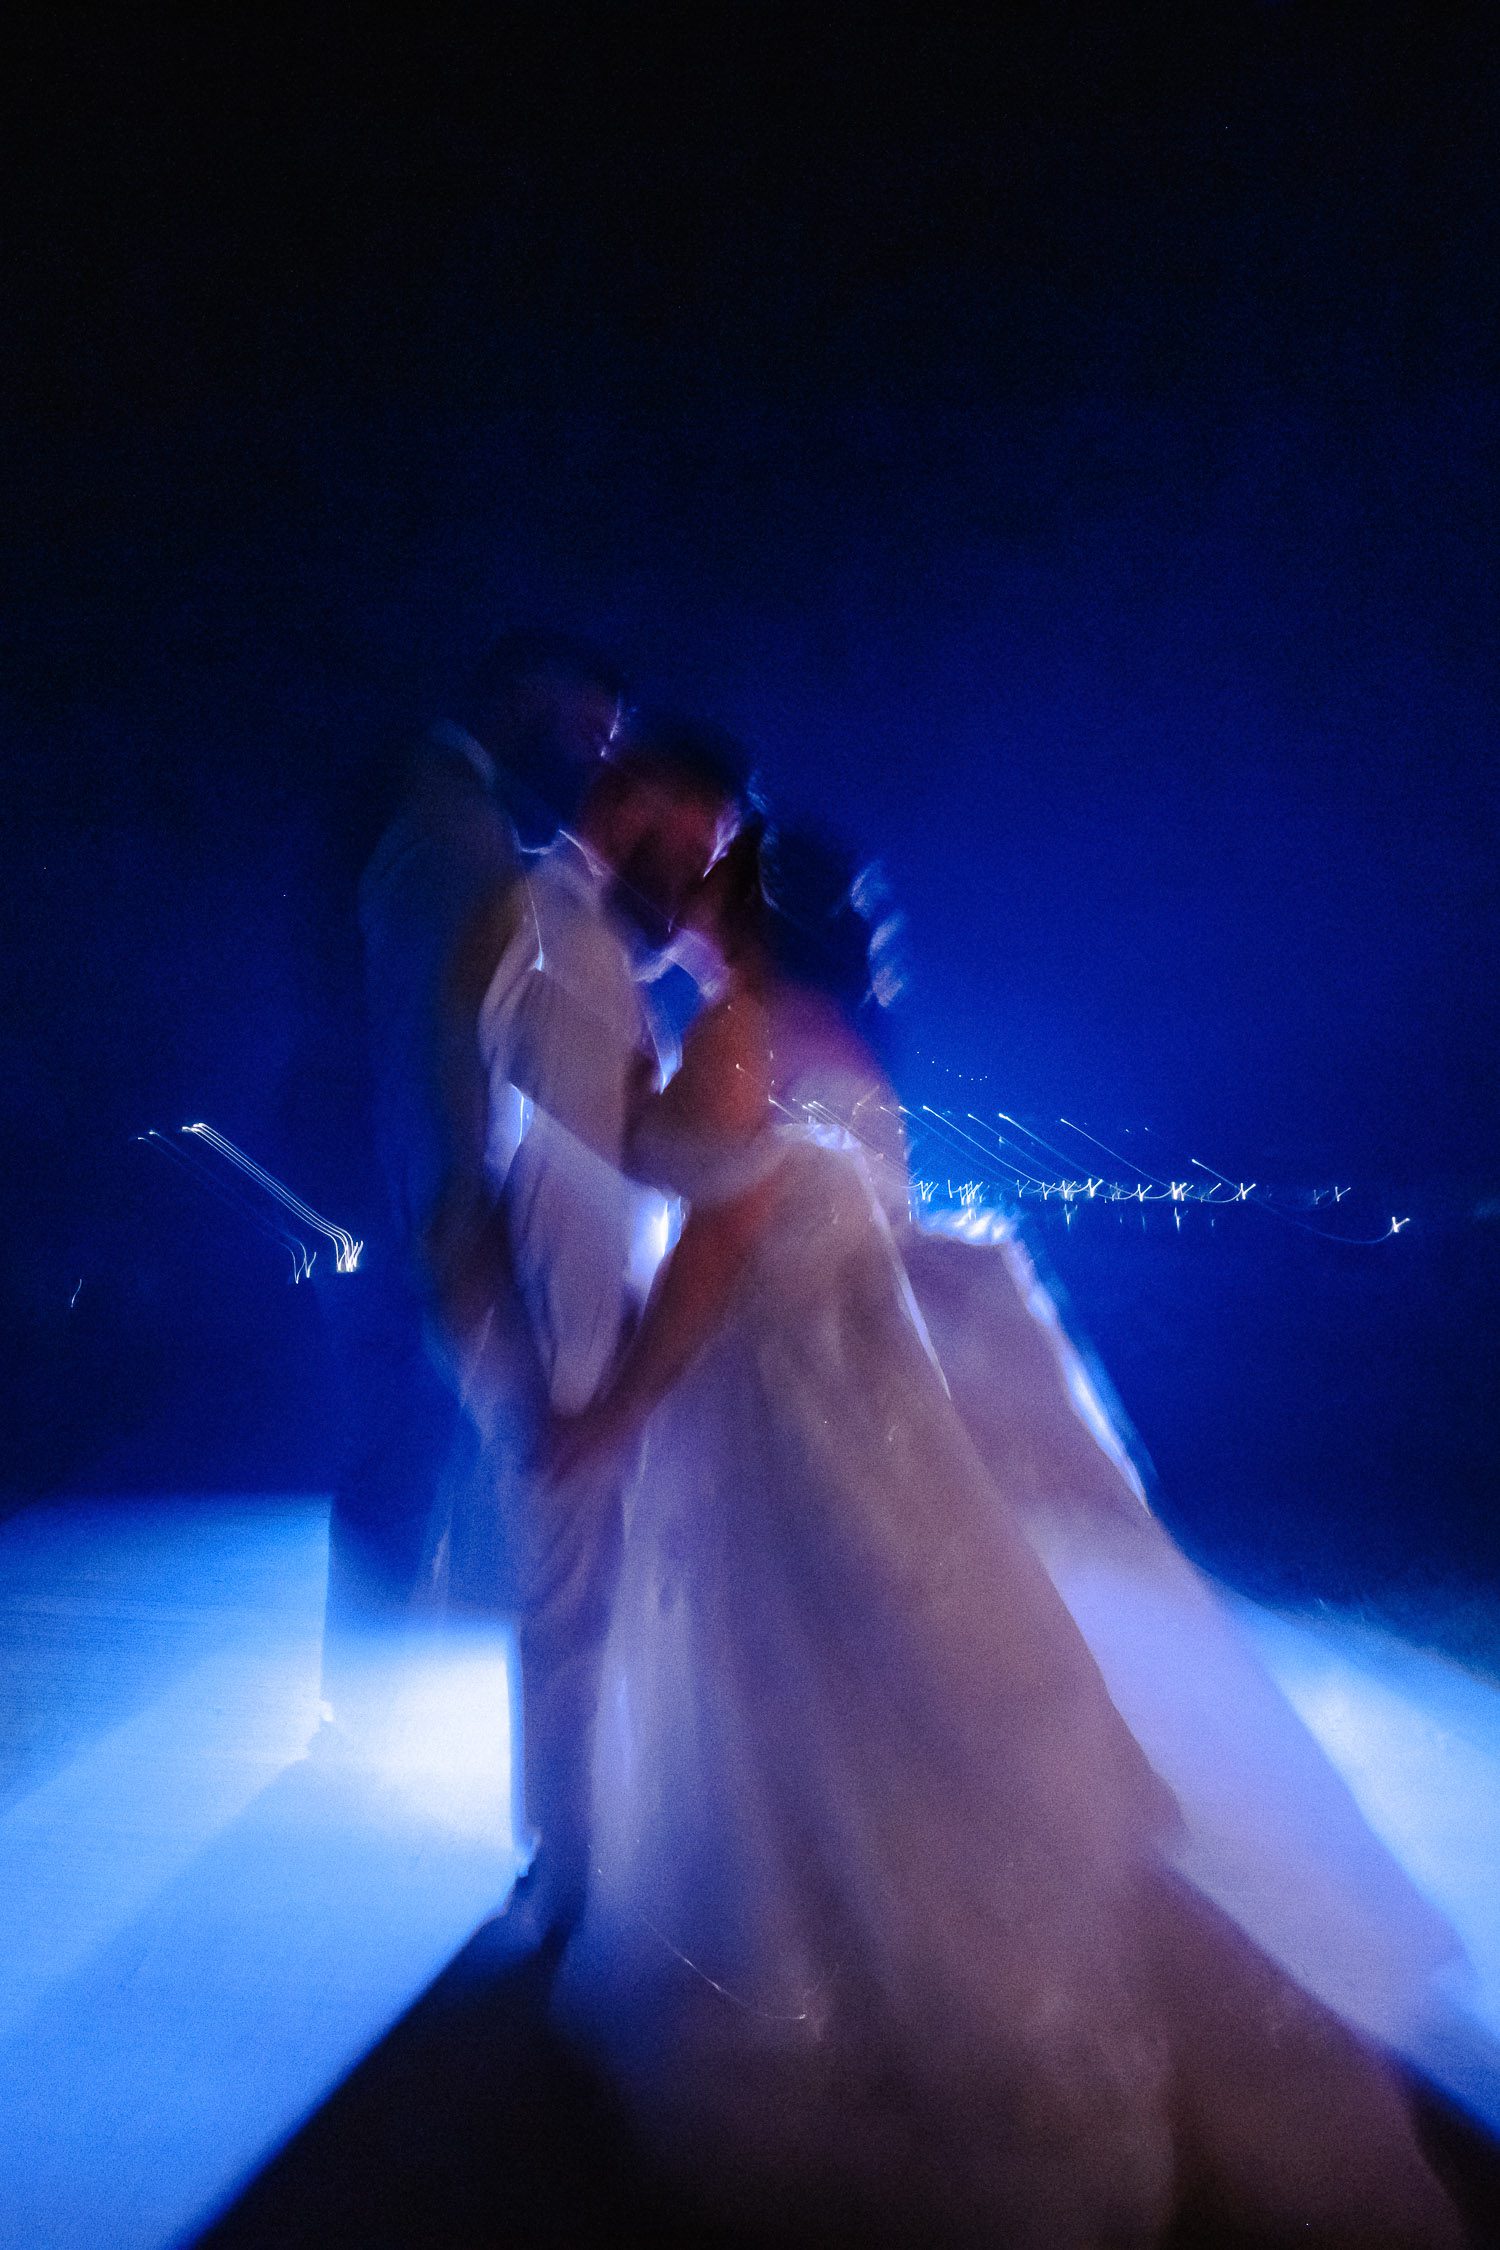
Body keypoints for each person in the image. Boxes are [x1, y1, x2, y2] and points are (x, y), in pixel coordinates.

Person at [545, 822, 1461, 2246]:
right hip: (866, 1404)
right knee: (919, 1696)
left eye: (711, 880)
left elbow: (712, 1248)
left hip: (774, 1415)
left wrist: (612, 1409)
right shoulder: (846, 1036)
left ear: (745, 913)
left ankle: (896, 2019)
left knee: (805, 1704)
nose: (689, 895)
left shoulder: (738, 1034)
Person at [468, 720, 744, 1936]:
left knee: (584, 1618)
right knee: (576, 1621)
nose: (688, 878)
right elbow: (572, 1193)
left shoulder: (575, 939)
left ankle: (578, 1867)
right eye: (690, 843)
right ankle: (574, 1883)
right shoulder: (570, 945)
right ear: (630, 801)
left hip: (586, 1350)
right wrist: (592, 1388)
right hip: (576, 1357)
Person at [323, 631, 626, 1668]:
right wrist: (454, 1201)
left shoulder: (452, 808)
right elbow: (430, 1030)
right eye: (588, 732)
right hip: (431, 1192)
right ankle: (364, 1692)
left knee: (416, 1441)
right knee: (404, 1435)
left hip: (428, 1185)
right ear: (531, 700)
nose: (594, 761)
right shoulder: (455, 824)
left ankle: (383, 1661)